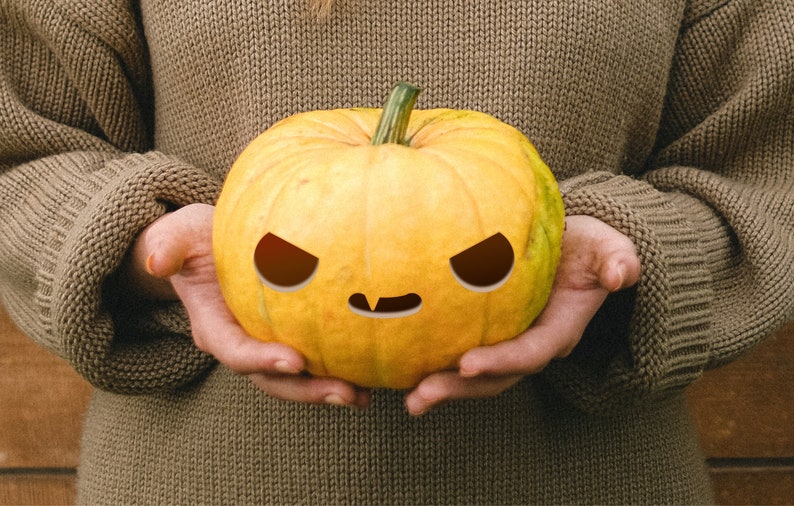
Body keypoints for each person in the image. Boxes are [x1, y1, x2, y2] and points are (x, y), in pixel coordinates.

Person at [1, 0, 791, 503]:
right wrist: (146, 248)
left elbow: (769, 175)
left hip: (590, 479)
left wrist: (626, 262)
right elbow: (22, 153)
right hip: (193, 480)